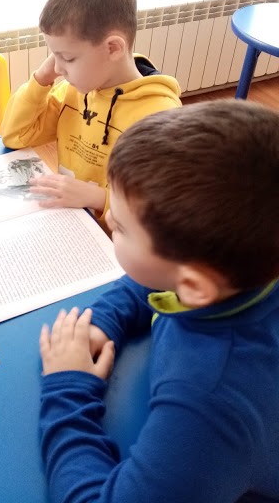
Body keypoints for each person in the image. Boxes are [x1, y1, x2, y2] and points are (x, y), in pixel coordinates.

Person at [39, 99, 279, 503]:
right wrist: (107, 318)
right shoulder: (245, 266)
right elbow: (155, 280)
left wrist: (67, 386)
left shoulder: (208, 404)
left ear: (195, 287)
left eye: (121, 227)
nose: (108, 219)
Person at [0, 0, 181, 225]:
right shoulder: (72, 90)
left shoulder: (159, 118)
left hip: (117, 239)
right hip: (72, 222)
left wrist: (98, 198)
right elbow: (16, 135)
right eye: (53, 56)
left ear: (113, 48)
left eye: (68, 58)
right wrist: (40, 80)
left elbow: (161, 208)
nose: (57, 68)